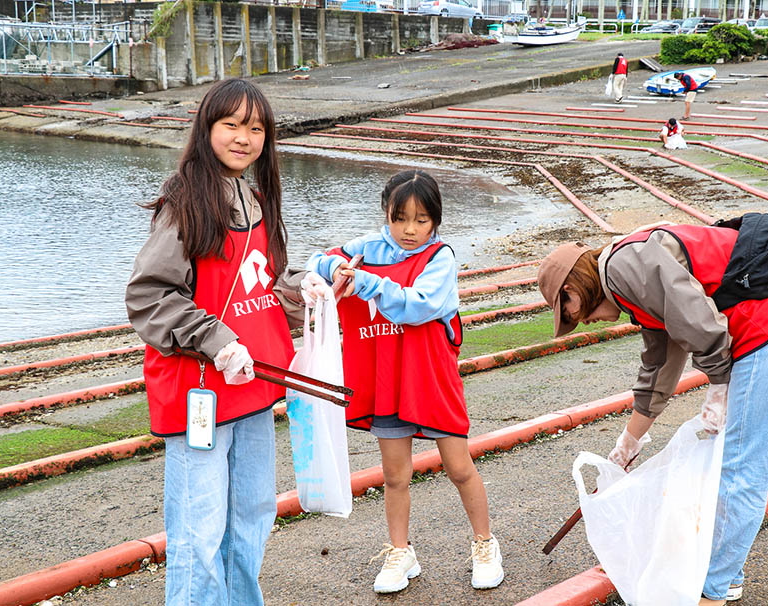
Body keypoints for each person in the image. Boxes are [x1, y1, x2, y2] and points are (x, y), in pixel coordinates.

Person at [536, 215, 768, 606]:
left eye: (568, 308)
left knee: (739, 468)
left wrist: (718, 382)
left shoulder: (622, 267)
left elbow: (695, 315)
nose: (577, 320)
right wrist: (629, 442)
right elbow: (660, 365)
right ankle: (725, 576)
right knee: (733, 464)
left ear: (575, 286)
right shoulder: (628, 277)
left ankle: (712, 592)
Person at [126, 78, 310, 605]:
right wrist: (216, 340)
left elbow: (264, 286)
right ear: (207, 129)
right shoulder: (184, 202)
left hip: (254, 388)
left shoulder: (257, 199)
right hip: (200, 389)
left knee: (252, 516)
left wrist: (312, 290)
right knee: (198, 530)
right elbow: (150, 296)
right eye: (230, 124)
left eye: (255, 127)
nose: (243, 137)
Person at [305, 170, 504, 594]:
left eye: (421, 219)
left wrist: (367, 282)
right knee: (395, 475)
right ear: (386, 214)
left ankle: (485, 544)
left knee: (459, 467)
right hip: (385, 381)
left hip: (431, 378)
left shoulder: (441, 258)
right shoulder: (366, 249)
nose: (410, 230)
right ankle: (400, 551)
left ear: (436, 220)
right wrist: (335, 265)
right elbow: (316, 263)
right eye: (400, 218)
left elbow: (421, 306)